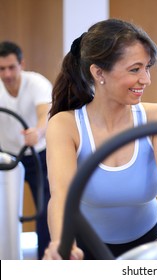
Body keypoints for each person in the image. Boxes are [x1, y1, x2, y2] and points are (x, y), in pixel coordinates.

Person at [42, 18, 157, 260]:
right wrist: (62, 243)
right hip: (87, 246)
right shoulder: (65, 125)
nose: (146, 79)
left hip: (147, 244)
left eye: (147, 68)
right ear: (98, 72)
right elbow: (61, 196)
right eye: (135, 69)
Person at [0, 41, 52, 260]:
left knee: (46, 210)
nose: (7, 74)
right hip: (7, 158)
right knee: (6, 212)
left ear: (22, 64)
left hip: (38, 154)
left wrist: (38, 132)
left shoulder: (36, 83)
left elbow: (46, 113)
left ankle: (46, 261)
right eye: (2, 69)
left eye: (12, 67)